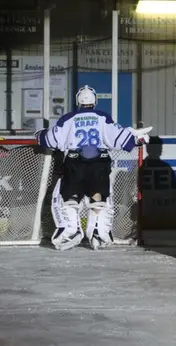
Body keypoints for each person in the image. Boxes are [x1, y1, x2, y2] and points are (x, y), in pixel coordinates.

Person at [35, 85, 151, 251]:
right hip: (99, 162)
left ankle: (71, 230)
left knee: (69, 197)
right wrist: (138, 139)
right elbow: (123, 140)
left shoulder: (68, 118)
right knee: (99, 197)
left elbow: (49, 140)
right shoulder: (103, 117)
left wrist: (39, 134)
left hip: (75, 162)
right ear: (94, 101)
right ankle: (98, 232)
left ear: (78, 100)